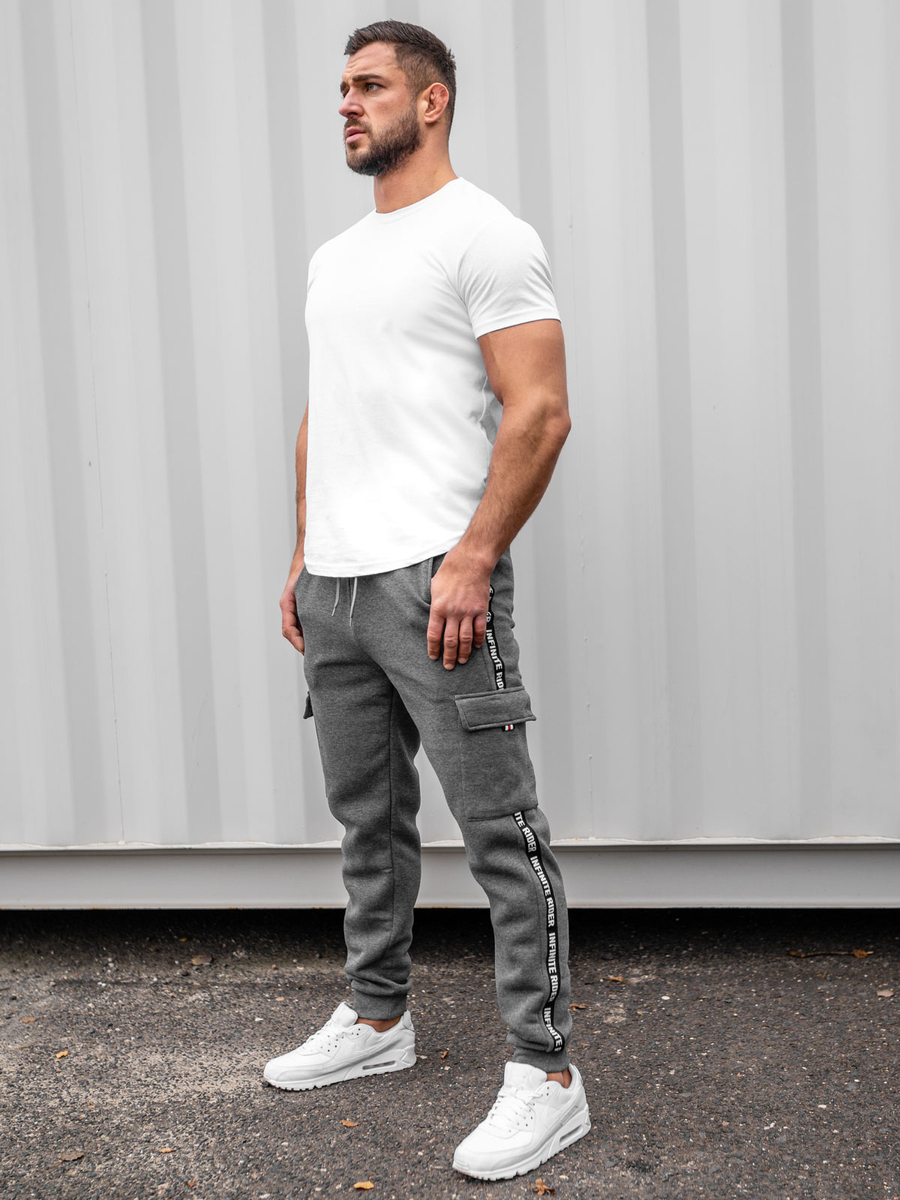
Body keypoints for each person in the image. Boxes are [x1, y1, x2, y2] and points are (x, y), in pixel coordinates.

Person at [266, 19, 591, 1182]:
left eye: (370, 86)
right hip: (339, 586)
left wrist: (473, 557)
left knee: (502, 835)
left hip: (436, 584)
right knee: (368, 821)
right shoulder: (336, 257)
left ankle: (547, 1075)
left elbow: (540, 409)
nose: (347, 105)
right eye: (342, 88)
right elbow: (328, 412)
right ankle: (377, 1018)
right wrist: (303, 554)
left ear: (433, 100)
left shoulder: (485, 234)